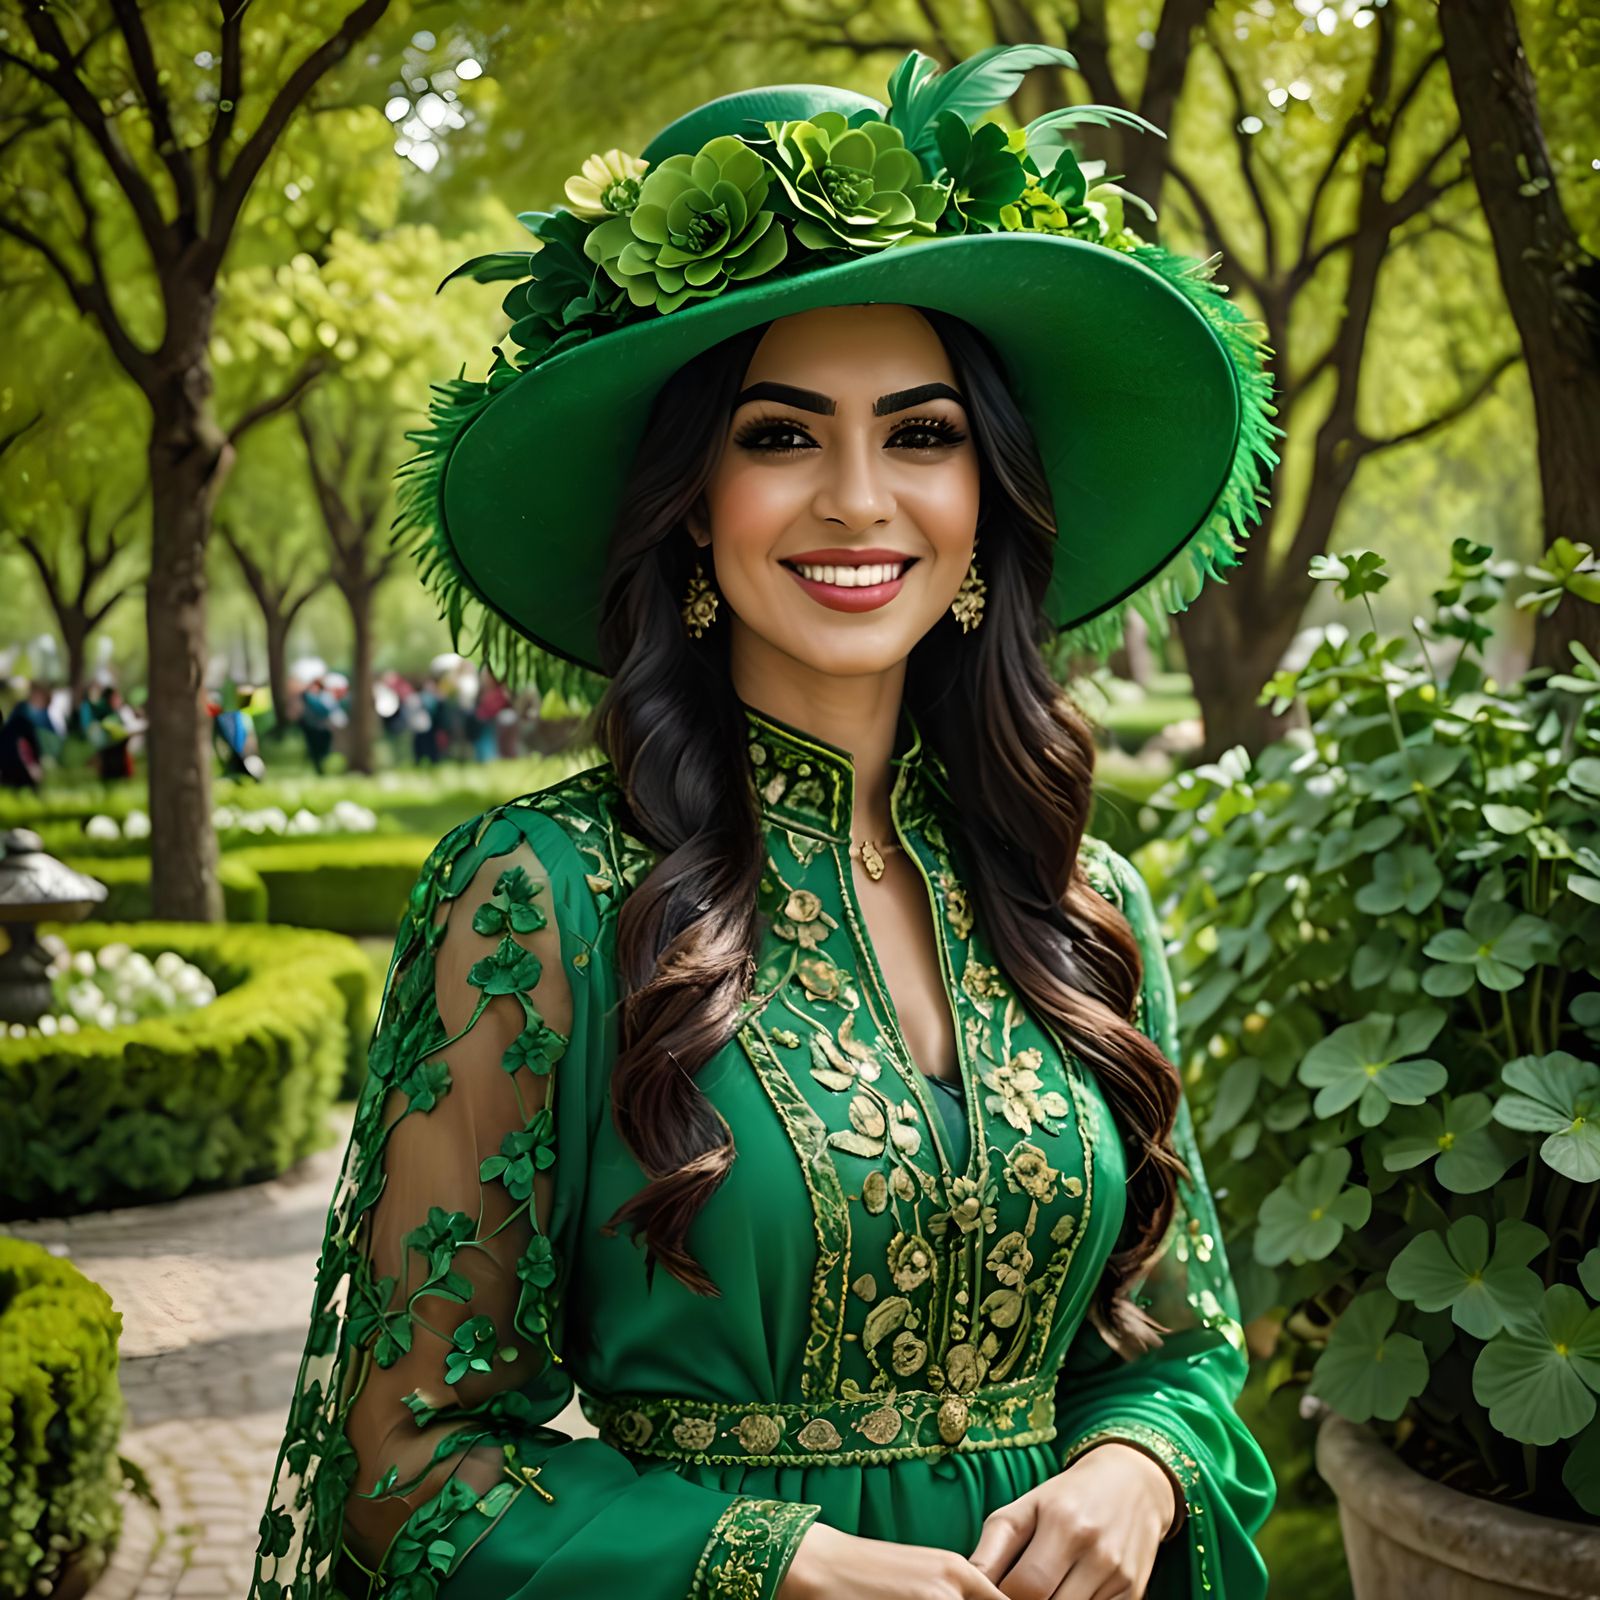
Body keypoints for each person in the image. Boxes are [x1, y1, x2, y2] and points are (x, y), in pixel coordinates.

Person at [252, 43, 1280, 1600]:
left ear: (989, 500)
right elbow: (408, 1470)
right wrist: (777, 1565)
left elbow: (1184, 1351)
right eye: (782, 434)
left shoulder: (1080, 891)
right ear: (688, 501)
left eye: (922, 435)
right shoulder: (542, 896)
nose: (860, 499)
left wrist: (1138, 1471)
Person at [299, 675, 335, 775]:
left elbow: (325, 710)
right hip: (311, 727)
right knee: (314, 750)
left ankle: (323, 766)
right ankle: (318, 769)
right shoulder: (305, 696)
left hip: (323, 728)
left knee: (323, 749)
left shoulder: (324, 697)